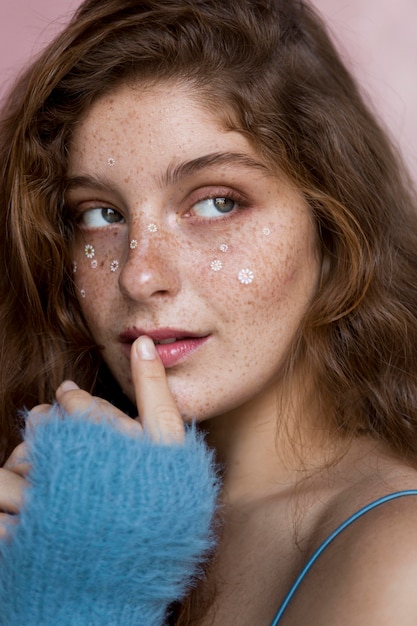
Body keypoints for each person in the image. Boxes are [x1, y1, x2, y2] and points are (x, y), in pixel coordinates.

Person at [1, 0, 417, 624]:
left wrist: (78, 602)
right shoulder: (71, 505)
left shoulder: (399, 557)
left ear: (332, 227)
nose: (141, 275)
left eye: (217, 202)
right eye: (99, 214)